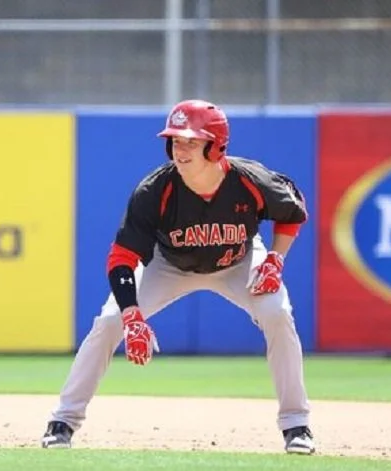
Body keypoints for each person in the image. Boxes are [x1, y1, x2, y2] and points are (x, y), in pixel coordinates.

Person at [40, 99, 316, 455]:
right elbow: (122, 258)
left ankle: (297, 425)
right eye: (175, 140)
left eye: (191, 141)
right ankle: (62, 421)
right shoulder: (155, 190)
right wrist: (132, 316)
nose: (179, 149)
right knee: (109, 322)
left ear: (215, 146)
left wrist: (275, 259)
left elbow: (293, 211)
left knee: (277, 313)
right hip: (168, 266)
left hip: (239, 261)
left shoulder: (249, 180)